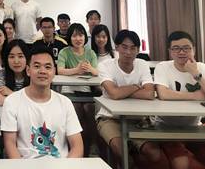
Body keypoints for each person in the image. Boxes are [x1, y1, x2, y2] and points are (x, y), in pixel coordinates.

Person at [97, 30, 169, 169]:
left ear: (138, 50)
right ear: (117, 48)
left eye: (133, 48)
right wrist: (136, 87)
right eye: (124, 47)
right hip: (110, 118)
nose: (128, 52)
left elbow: (149, 93)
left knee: (154, 154)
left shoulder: (142, 64)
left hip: (139, 119)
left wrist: (120, 91)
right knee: (122, 152)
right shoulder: (105, 65)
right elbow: (114, 94)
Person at [2, 45, 84, 159]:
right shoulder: (12, 102)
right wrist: (21, 166)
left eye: (48, 67)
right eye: (37, 66)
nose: (42, 71)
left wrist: (66, 166)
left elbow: (77, 146)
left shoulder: (65, 103)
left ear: (54, 71)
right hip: (25, 164)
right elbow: (10, 144)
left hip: (60, 165)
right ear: (28, 70)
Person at [155, 31, 205, 169]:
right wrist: (195, 96)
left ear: (193, 50)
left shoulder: (201, 67)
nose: (181, 52)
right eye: (176, 48)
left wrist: (195, 73)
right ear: (170, 51)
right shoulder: (163, 67)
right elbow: (163, 94)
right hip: (166, 127)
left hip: (195, 127)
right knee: (181, 163)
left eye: (186, 48)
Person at [57, 23, 98, 156]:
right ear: (70, 37)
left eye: (80, 35)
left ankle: (92, 144)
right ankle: (74, 146)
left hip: (86, 90)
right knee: (76, 110)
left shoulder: (90, 52)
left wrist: (90, 69)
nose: (78, 39)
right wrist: (77, 70)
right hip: (68, 90)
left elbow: (97, 72)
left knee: (90, 109)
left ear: (85, 37)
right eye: (74, 36)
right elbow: (60, 70)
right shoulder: (64, 52)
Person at [0, 39, 30, 106]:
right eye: (12, 57)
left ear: (27, 58)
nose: (16, 61)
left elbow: (33, 101)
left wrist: (10, 93)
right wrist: (23, 100)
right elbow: (0, 101)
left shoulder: (32, 73)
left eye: (20, 56)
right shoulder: (2, 73)